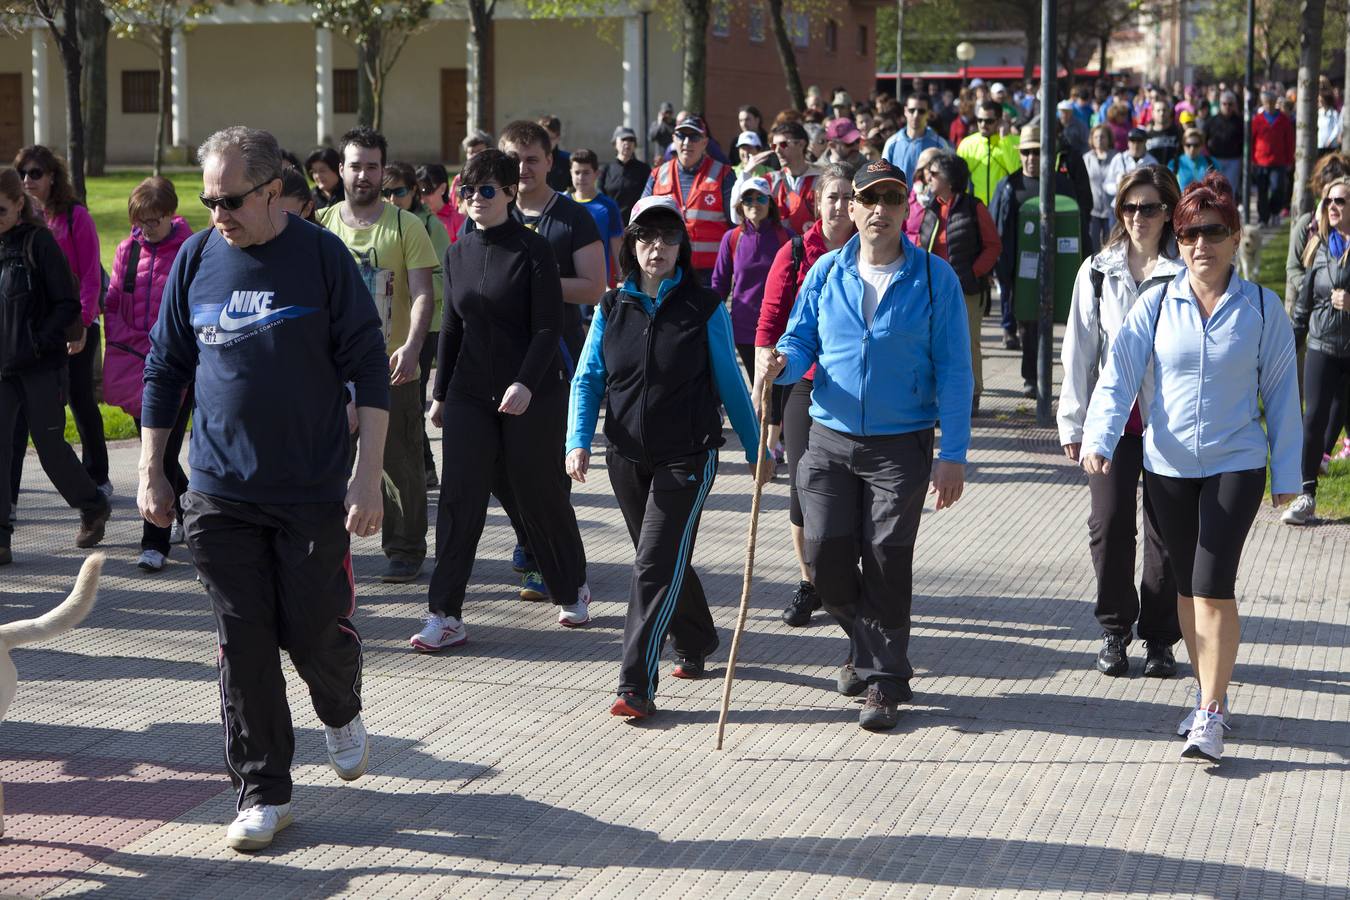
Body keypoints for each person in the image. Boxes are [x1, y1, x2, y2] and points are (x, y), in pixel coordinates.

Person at [140, 126, 390, 849]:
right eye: (208, 199)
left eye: (230, 200)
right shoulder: (194, 260)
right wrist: (153, 468)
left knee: (312, 628)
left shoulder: (320, 258)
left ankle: (339, 705)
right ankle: (263, 791)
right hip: (218, 492)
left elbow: (369, 368)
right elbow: (165, 369)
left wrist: (367, 475)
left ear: (274, 190)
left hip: (311, 488)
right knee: (242, 641)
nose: (217, 214)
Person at [1081, 171, 1301, 763]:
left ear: (1235, 238)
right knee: (1184, 585)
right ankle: (1211, 695)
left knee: (1212, 582)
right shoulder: (1156, 302)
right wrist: (1099, 437)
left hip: (1236, 463)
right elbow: (1119, 373)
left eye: (1212, 231)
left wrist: (1288, 479)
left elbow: (1282, 395)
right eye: (1188, 234)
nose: (1199, 244)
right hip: (1168, 465)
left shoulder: (1261, 307)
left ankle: (1208, 708)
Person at [762, 159, 974, 731]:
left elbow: (955, 369)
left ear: (908, 210)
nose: (880, 209)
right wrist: (783, 362)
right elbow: (802, 336)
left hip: (900, 444)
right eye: (868, 199)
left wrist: (953, 453)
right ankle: (873, 648)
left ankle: (882, 682)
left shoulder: (934, 278)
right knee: (825, 556)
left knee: (886, 556)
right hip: (830, 436)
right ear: (850, 209)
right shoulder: (827, 271)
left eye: (892, 199)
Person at [567, 195, 766, 718]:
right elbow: (588, 378)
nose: (657, 247)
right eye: (646, 237)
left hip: (688, 456)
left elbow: (731, 383)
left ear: (682, 246)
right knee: (661, 558)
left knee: (652, 564)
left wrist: (756, 447)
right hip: (625, 456)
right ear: (631, 244)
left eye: (668, 237)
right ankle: (697, 638)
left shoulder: (705, 308)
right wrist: (577, 441)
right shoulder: (611, 306)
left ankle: (635, 684)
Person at [416, 149, 592, 649]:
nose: (475, 200)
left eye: (487, 190)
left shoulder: (532, 251)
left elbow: (547, 327)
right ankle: (445, 613)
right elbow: (451, 327)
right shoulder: (457, 252)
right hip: (471, 392)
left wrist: (526, 383)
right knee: (459, 498)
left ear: (510, 193)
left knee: (537, 491)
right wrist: (441, 393)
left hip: (532, 391)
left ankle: (570, 584)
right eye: (466, 191)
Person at [1060, 165, 1184, 678]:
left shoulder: (1184, 271)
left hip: (1170, 423)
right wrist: (1073, 422)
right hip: (1110, 424)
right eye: (1130, 207)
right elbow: (1078, 351)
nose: (1139, 217)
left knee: (1167, 533)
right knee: (1109, 526)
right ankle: (1114, 630)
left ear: (1169, 212)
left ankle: (1159, 638)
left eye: (1150, 207)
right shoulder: (1097, 270)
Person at [481, 120, 604, 595]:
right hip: (496, 362)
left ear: (551, 161)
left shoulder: (572, 218)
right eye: (515, 159)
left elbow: (594, 286)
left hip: (556, 358)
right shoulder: (490, 213)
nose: (524, 168)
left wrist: (535, 283)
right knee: (496, 464)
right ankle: (527, 536)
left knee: (546, 469)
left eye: (533, 158)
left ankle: (545, 557)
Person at [317, 127, 439, 584]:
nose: (363, 174)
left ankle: (405, 549)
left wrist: (413, 347)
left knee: (400, 460)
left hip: (392, 367)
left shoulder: (406, 226)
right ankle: (325, 546)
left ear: (383, 170)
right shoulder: (322, 226)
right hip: (331, 371)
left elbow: (425, 293)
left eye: (372, 166)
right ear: (342, 171)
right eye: (355, 165)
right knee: (326, 460)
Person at [0, 167, 110, 566]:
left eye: (0, 210)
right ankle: (2, 538)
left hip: (40, 366)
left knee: (49, 448)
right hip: (3, 370)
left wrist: (37, 342)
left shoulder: (38, 243)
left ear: (18, 205)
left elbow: (67, 302)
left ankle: (92, 504)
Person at [102, 176, 194, 573]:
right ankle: (192, 510)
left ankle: (154, 541)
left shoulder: (189, 250)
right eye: (140, 222)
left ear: (171, 215)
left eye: (154, 221)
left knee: (161, 453)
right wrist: (134, 343)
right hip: (137, 365)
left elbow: (190, 309)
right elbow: (115, 304)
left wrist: (166, 346)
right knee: (156, 452)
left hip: (179, 367)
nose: (147, 229)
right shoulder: (128, 249)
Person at [991, 125, 1087, 395]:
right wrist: (1002, 270)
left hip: (1062, 266)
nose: (1032, 158)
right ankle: (1031, 378)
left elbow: (1079, 224)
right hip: (1023, 270)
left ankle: (1071, 379)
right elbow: (997, 230)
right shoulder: (1009, 186)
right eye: (1027, 153)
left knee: (1072, 327)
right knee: (1028, 325)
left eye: (1038, 152)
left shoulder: (1063, 184)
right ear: (1020, 154)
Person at [911, 153, 1000, 416]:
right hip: (931, 289)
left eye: (934, 173)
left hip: (966, 289)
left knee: (968, 342)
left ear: (950, 180)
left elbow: (993, 246)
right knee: (931, 343)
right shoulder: (932, 207)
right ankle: (937, 397)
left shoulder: (974, 207)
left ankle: (972, 395)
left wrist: (972, 273)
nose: (929, 177)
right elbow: (920, 243)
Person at [711, 176, 793, 457]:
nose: (754, 204)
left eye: (760, 198)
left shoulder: (786, 237)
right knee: (759, 384)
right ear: (739, 205)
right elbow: (719, 284)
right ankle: (766, 444)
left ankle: (771, 445)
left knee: (776, 383)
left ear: (771, 203)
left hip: (782, 327)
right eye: (748, 199)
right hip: (745, 328)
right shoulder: (732, 238)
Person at [382, 160, 451, 489]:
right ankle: (422, 469)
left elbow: (442, 280)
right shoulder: (379, 224)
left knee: (410, 399)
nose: (393, 199)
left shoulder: (429, 225)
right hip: (387, 328)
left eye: (400, 191)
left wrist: (410, 283)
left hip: (426, 325)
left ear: (414, 192)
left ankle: (425, 468)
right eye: (387, 192)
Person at [1286, 177, 1350, 525]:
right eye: (1328, 202)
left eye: (1340, 200)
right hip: (1322, 345)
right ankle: (1306, 494)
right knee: (1313, 419)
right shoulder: (1319, 248)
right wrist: (1289, 345)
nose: (1333, 207)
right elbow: (1303, 306)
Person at [642, 114, 735, 285]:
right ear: (673, 139)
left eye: (694, 136)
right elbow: (641, 223)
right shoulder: (657, 174)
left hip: (711, 274)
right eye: (681, 136)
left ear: (705, 142)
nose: (687, 142)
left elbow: (736, 227)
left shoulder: (724, 174)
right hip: (668, 269)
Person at [568, 148, 625, 286]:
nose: (581, 178)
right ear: (571, 173)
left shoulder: (609, 206)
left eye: (586, 172)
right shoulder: (562, 203)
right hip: (567, 285)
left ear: (596, 174)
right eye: (577, 172)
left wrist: (622, 279)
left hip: (599, 286)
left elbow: (617, 246)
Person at [957, 100, 1021, 206]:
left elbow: (1016, 171)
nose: (983, 124)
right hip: (976, 209)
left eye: (989, 121)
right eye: (979, 120)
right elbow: (958, 181)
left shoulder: (1014, 142)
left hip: (1004, 207)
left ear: (1000, 121)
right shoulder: (967, 144)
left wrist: (1005, 139)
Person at [882, 90, 950, 184]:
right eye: (912, 110)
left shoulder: (940, 144)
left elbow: (947, 178)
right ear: (905, 111)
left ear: (929, 113)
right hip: (898, 197)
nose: (916, 115)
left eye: (921, 111)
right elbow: (884, 177)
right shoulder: (892, 143)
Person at [765, 122, 822, 235]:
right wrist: (746, 172)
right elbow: (737, 217)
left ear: (801, 144)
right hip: (780, 249)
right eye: (773, 146)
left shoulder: (823, 178)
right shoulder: (770, 180)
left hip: (814, 247)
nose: (777, 151)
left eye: (783, 144)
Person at [1252, 91, 1295, 226]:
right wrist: (1251, 160)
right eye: (1266, 103)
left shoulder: (1283, 120)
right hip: (1260, 161)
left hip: (1278, 161)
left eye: (1271, 102)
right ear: (1263, 103)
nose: (1269, 105)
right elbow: (1252, 140)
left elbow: (1289, 141)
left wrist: (1289, 160)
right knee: (1262, 191)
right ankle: (1263, 218)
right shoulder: (1257, 120)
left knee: (1277, 188)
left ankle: (1275, 212)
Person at [599, 126, 649, 223]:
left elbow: (648, 197)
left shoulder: (644, 169)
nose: (627, 143)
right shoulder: (605, 169)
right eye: (623, 139)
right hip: (611, 222)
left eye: (631, 140)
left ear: (635, 145)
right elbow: (600, 195)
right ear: (614, 143)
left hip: (636, 222)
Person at [1084, 124, 1118, 251]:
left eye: (1102, 137)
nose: (1099, 139)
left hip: (1112, 211)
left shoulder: (1117, 157)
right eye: (1096, 136)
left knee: (1111, 246)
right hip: (1093, 210)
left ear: (1109, 139)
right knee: (1093, 247)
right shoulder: (1086, 158)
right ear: (1092, 139)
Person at [1205, 91, 1245, 196]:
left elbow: (1244, 141)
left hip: (1234, 160)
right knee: (1215, 189)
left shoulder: (1240, 122)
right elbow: (1204, 139)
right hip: (1215, 159)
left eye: (1230, 104)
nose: (1227, 106)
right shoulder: (1212, 121)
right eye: (1224, 104)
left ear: (1234, 105)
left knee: (1230, 189)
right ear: (1220, 104)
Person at [1104, 129, 1159, 202]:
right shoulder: (1119, 159)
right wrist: (1118, 186)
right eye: (1132, 140)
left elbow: (1157, 186)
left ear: (1145, 142)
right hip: (1121, 204)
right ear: (1128, 142)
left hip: (1144, 204)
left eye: (1139, 140)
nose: (1136, 144)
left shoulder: (1152, 162)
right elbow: (1107, 184)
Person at [538, 115, 573, 192]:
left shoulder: (568, 161)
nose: (545, 142)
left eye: (550, 138)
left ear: (558, 138)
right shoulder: (528, 159)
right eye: (542, 138)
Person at [1318, 89, 1342, 157]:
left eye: (1321, 99)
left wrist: (1330, 140)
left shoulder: (1334, 113)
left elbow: (1337, 128)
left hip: (1331, 145)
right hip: (1320, 143)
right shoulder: (1319, 112)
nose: (1319, 101)